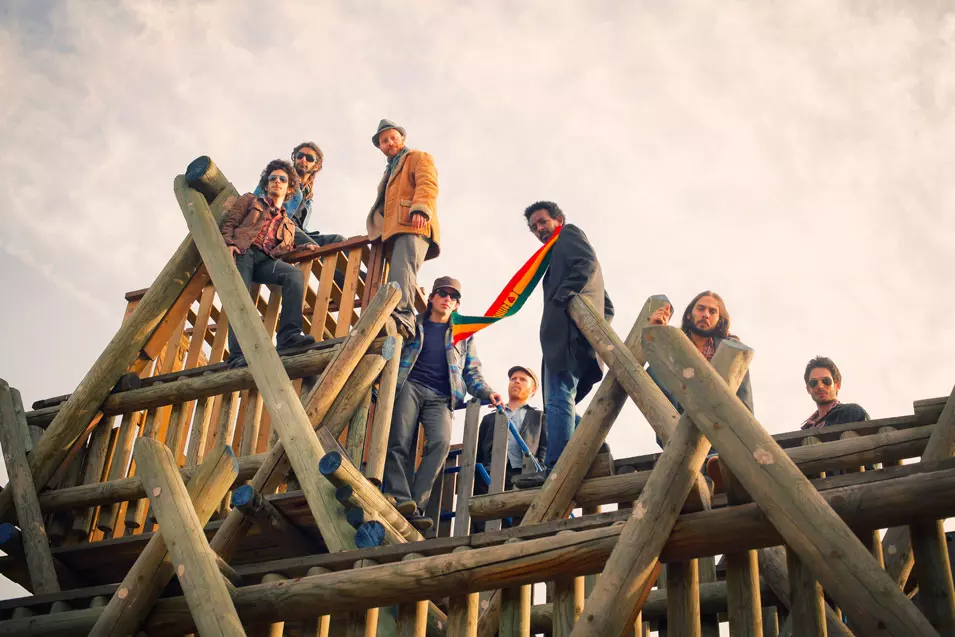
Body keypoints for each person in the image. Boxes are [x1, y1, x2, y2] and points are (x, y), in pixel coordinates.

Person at [382, 277, 501, 529]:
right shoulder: (414, 323)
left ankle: (415, 504)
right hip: (410, 385)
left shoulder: (463, 336)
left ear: (457, 305)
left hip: (441, 397)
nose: (448, 299)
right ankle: (399, 496)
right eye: (443, 294)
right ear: (432, 298)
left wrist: (487, 392)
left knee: (440, 443)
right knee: (399, 440)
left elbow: (472, 373)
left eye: (454, 297)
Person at [513, 201, 612, 489]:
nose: (539, 230)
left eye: (543, 222)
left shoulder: (568, 234)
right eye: (534, 228)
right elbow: (608, 304)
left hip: (566, 338)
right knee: (559, 401)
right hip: (569, 338)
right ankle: (596, 444)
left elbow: (586, 264)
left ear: (558, 219)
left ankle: (557, 467)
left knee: (557, 398)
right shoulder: (555, 253)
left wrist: (563, 298)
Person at [220, 159, 317, 366]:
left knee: (294, 275)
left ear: (289, 187)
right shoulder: (250, 200)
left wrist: (302, 248)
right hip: (244, 252)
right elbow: (230, 222)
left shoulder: (288, 224)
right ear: (266, 184)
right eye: (272, 179)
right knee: (241, 299)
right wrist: (229, 243)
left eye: (282, 179)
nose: (277, 182)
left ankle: (288, 337)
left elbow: (285, 249)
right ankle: (237, 355)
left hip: (266, 259)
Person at [366, 119, 440, 338]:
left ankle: (403, 314)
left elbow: (427, 183)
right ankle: (395, 310)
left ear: (402, 139)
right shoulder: (390, 169)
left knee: (403, 268)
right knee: (399, 270)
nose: (389, 143)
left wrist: (421, 209)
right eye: (384, 141)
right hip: (394, 229)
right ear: (380, 147)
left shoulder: (417, 157)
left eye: (393, 138)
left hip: (413, 222)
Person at [648, 290, 754, 413]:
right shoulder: (673, 346)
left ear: (719, 320)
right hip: (677, 418)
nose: (706, 315)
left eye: (712, 311)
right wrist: (656, 332)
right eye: (701, 309)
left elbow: (744, 398)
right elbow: (656, 376)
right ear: (689, 314)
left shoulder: (732, 351)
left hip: (719, 421)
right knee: (654, 369)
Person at [253, 141, 345, 247]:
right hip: (280, 225)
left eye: (309, 158)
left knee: (340, 241)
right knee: (315, 249)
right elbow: (256, 198)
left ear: (316, 166)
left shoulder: (308, 198)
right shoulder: (280, 178)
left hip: (298, 232)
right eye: (300, 156)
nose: (303, 160)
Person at [475, 366, 547, 492]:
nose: (517, 381)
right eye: (513, 379)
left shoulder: (539, 417)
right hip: (489, 475)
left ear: (533, 389)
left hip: (523, 475)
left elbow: (544, 449)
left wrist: (538, 470)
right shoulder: (490, 418)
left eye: (523, 379)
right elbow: (478, 451)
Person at [801, 356, 869, 429]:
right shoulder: (806, 429)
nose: (820, 386)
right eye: (814, 382)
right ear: (808, 389)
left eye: (826, 381)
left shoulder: (852, 413)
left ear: (837, 385)